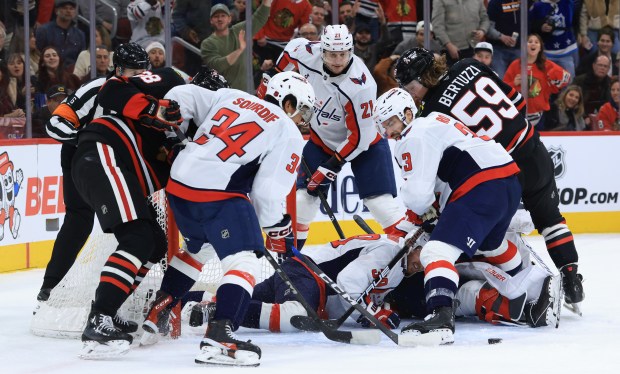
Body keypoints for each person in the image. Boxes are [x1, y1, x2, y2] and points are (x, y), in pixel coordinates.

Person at [394, 47, 585, 311]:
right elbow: (517, 101)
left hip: (501, 169)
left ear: (420, 79)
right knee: (551, 220)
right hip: (533, 149)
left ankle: (518, 284)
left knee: (492, 231)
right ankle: (571, 277)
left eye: (409, 85)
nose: (410, 93)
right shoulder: (468, 65)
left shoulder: (432, 115)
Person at [139, 70, 308, 366]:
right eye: (303, 110)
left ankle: (159, 310)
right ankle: (220, 336)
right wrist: (278, 228)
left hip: (179, 183)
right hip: (217, 192)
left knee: (200, 247)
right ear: (290, 103)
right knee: (245, 260)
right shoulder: (288, 130)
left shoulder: (234, 96)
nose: (303, 118)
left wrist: (171, 131)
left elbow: (182, 94)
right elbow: (267, 194)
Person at [375, 87, 523, 344]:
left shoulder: (412, 136)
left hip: (478, 186)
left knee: (436, 253)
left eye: (391, 122)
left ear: (408, 113)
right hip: (507, 180)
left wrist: (421, 215)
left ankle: (440, 316)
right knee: (490, 245)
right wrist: (424, 214)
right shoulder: (436, 120)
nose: (389, 132)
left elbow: (418, 194)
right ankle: (525, 286)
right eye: (383, 126)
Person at [73, 42, 185, 359]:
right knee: (137, 238)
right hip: (103, 156)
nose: (139, 76)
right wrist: (155, 109)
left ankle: (109, 310)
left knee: (154, 243)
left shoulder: (173, 127)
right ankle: (99, 317)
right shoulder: (119, 89)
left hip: (118, 167)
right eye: (133, 71)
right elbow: (112, 92)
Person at [274, 24, 406, 250]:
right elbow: (284, 60)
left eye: (343, 54)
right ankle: (289, 258)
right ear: (322, 51)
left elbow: (360, 138)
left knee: (381, 204)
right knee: (302, 200)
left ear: (351, 52)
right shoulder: (305, 52)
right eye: (332, 54)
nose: (337, 60)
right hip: (321, 140)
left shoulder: (361, 85)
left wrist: (331, 166)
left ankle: (411, 251)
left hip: (367, 145)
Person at [201, 0, 271, 92]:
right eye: (216, 16)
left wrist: (267, 2)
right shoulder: (207, 43)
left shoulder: (238, 31)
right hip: (223, 94)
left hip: (246, 92)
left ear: (229, 18)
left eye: (223, 16)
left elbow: (259, 18)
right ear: (211, 20)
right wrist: (239, 50)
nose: (220, 19)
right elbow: (217, 65)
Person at [503, 34, 571, 128]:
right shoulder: (515, 65)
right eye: (530, 41)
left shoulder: (547, 65)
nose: (533, 44)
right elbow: (502, 89)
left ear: (540, 48)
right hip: (517, 114)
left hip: (539, 116)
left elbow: (566, 78)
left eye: (536, 42)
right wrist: (513, 84)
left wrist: (554, 76)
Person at [528, 0, 578, 79]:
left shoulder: (568, 2)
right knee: (544, 82)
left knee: (569, 81)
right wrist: (540, 27)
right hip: (547, 53)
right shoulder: (538, 6)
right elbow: (529, 25)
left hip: (567, 51)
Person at [431, 0, 489, 65]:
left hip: (474, 49)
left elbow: (485, 19)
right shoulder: (440, 1)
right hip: (451, 52)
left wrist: (482, 30)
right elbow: (437, 26)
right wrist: (448, 45)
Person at [35, 0, 86, 68]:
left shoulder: (80, 34)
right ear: (56, 11)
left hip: (72, 74)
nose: (68, 11)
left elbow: (81, 59)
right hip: (49, 71)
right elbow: (38, 54)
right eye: (65, 8)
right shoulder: (44, 31)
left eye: (71, 8)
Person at [486, 0, 521, 80]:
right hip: (498, 49)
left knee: (519, 82)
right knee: (499, 80)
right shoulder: (495, 3)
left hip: (519, 49)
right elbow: (487, 27)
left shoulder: (525, 2)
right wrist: (501, 36)